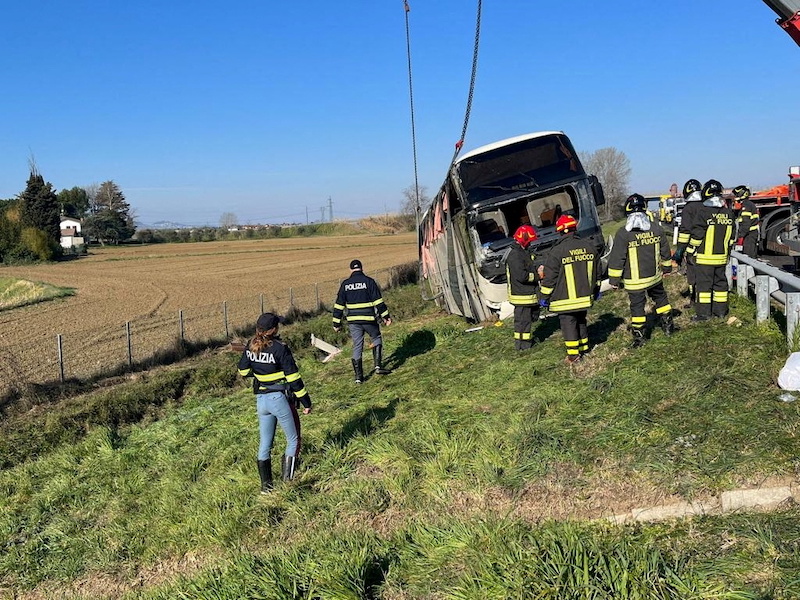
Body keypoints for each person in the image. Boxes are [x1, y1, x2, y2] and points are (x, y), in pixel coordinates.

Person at [238, 312, 312, 493]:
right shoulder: (280, 348)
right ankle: (288, 484)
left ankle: (266, 487)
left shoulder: (251, 345)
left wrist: (260, 375)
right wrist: (306, 401)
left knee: (265, 444)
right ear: (273, 329)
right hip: (279, 399)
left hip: (261, 400)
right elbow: (294, 378)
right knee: (293, 440)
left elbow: (243, 371)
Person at [607, 194, 674, 347]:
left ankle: (640, 339)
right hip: (655, 277)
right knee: (661, 300)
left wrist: (614, 281)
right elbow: (665, 249)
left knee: (637, 308)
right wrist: (667, 268)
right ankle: (669, 328)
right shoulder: (656, 228)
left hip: (634, 282)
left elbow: (617, 259)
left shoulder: (623, 233)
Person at [538, 214, 601, 364]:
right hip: (584, 297)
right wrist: (596, 291)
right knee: (581, 320)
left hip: (564, 300)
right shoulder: (589, 247)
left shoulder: (557, 251)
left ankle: (573, 356)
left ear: (560, 231)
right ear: (575, 228)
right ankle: (585, 347)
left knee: (569, 324)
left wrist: (543, 297)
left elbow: (549, 278)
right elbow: (597, 272)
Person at [332, 259, 393, 383]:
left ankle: (359, 377)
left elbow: (338, 305)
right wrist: (386, 317)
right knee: (376, 338)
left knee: (357, 345)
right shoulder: (369, 282)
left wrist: (336, 323)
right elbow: (378, 302)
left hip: (353, 321)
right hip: (369, 319)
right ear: (362, 268)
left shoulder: (345, 284)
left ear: (350, 270)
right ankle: (378, 366)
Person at [689, 179, 736, 321]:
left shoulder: (703, 212)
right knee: (720, 284)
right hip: (722, 257)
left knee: (704, 286)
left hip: (705, 258)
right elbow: (732, 237)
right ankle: (720, 312)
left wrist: (690, 251)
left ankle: (703, 315)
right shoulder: (728, 213)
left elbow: (697, 235)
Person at [506, 225, 541, 350]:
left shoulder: (521, 252)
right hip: (522, 296)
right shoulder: (515, 255)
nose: (530, 243)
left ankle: (521, 345)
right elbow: (522, 276)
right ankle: (524, 346)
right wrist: (538, 276)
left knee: (524, 321)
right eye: (529, 241)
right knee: (523, 322)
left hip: (525, 294)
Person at [673, 179, 703, 308]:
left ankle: (694, 300)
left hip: (693, 250)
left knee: (693, 276)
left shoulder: (688, 209)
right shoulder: (706, 206)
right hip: (708, 248)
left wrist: (679, 252)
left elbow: (685, 232)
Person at [732, 185, 760, 258]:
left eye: (736, 194)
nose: (735, 196)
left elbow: (745, 223)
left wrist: (741, 237)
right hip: (749, 234)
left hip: (749, 235)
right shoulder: (746, 204)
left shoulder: (746, 205)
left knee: (749, 257)